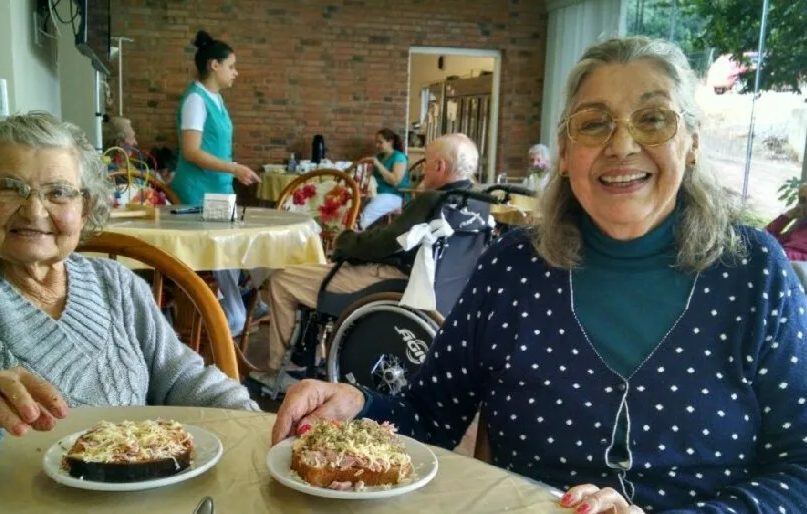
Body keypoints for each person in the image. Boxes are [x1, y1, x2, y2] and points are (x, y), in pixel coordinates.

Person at [272, 36, 807, 513]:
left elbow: (798, 470)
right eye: (594, 123)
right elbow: (429, 415)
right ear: (568, 152)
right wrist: (356, 405)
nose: (621, 145)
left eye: (653, 119)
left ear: (690, 142)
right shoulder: (513, 267)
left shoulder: (754, 272)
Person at [0, 111, 257, 458]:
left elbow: (185, 379)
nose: (34, 209)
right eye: (10, 187)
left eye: (59, 192)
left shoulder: (117, 284)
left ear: (86, 210)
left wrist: (257, 424)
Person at [259, 133, 480, 378]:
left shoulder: (433, 200)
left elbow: (385, 243)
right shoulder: (475, 204)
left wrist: (346, 240)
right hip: (437, 288)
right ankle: (309, 355)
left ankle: (284, 371)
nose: (422, 170)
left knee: (283, 278)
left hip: (393, 279)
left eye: (426, 161)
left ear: (440, 166)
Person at [173, 30, 261, 337]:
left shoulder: (216, 99)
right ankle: (227, 322)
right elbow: (192, 151)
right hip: (199, 193)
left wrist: (232, 172)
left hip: (219, 192)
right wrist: (235, 167)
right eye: (231, 66)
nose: (235, 72)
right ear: (214, 65)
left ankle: (235, 312)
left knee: (231, 256)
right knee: (222, 259)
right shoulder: (196, 100)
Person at [359, 128, 410, 228]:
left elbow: (395, 181)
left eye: (380, 142)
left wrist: (378, 165)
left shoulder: (399, 157)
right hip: (376, 194)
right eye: (376, 142)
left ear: (390, 142)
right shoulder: (379, 156)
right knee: (354, 205)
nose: (377, 145)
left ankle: (356, 236)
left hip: (395, 195)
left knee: (367, 213)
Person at [765, 183, 807, 261]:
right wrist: (787, 216)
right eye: (803, 200)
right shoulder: (799, 228)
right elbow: (765, 236)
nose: (805, 204)